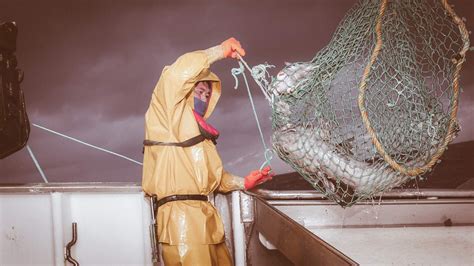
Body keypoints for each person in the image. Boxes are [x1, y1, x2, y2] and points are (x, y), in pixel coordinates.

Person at [142, 37, 274, 265]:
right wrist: (219, 51)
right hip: (181, 224)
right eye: (199, 91)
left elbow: (216, 179)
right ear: (183, 92)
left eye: (206, 95)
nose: (203, 98)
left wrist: (244, 183)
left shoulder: (201, 137)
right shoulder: (166, 117)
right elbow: (175, 75)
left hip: (208, 222)